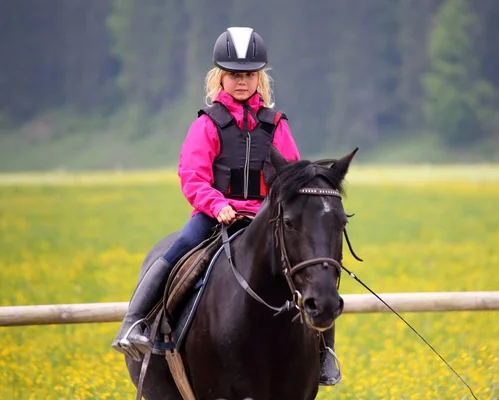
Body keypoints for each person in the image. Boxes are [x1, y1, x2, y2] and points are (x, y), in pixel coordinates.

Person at [111, 27, 340, 385]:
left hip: (265, 218)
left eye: (249, 75)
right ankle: (135, 323)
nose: (242, 81)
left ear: (259, 77)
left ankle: (325, 353)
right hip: (214, 215)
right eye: (235, 74)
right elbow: (192, 175)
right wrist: (217, 205)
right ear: (221, 76)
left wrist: (279, 206)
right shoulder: (207, 124)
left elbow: (290, 178)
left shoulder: (276, 125)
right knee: (178, 249)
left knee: (313, 264)